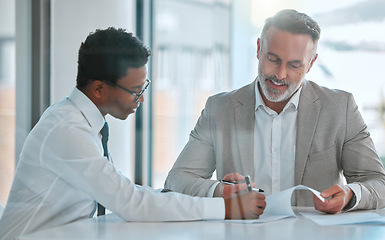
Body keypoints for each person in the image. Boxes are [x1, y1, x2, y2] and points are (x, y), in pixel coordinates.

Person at [0, 27, 266, 240]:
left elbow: (122, 191)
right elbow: (129, 202)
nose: (140, 100)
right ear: (99, 89)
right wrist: (227, 209)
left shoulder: (85, 123)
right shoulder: (67, 130)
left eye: (143, 88)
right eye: (135, 91)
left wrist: (216, 194)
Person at [165, 9, 385, 214]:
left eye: (294, 65)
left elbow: (378, 184)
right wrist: (220, 192)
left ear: (311, 63)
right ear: (259, 49)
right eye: (273, 59)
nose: (280, 75)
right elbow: (177, 180)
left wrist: (350, 194)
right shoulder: (219, 109)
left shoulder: (340, 108)